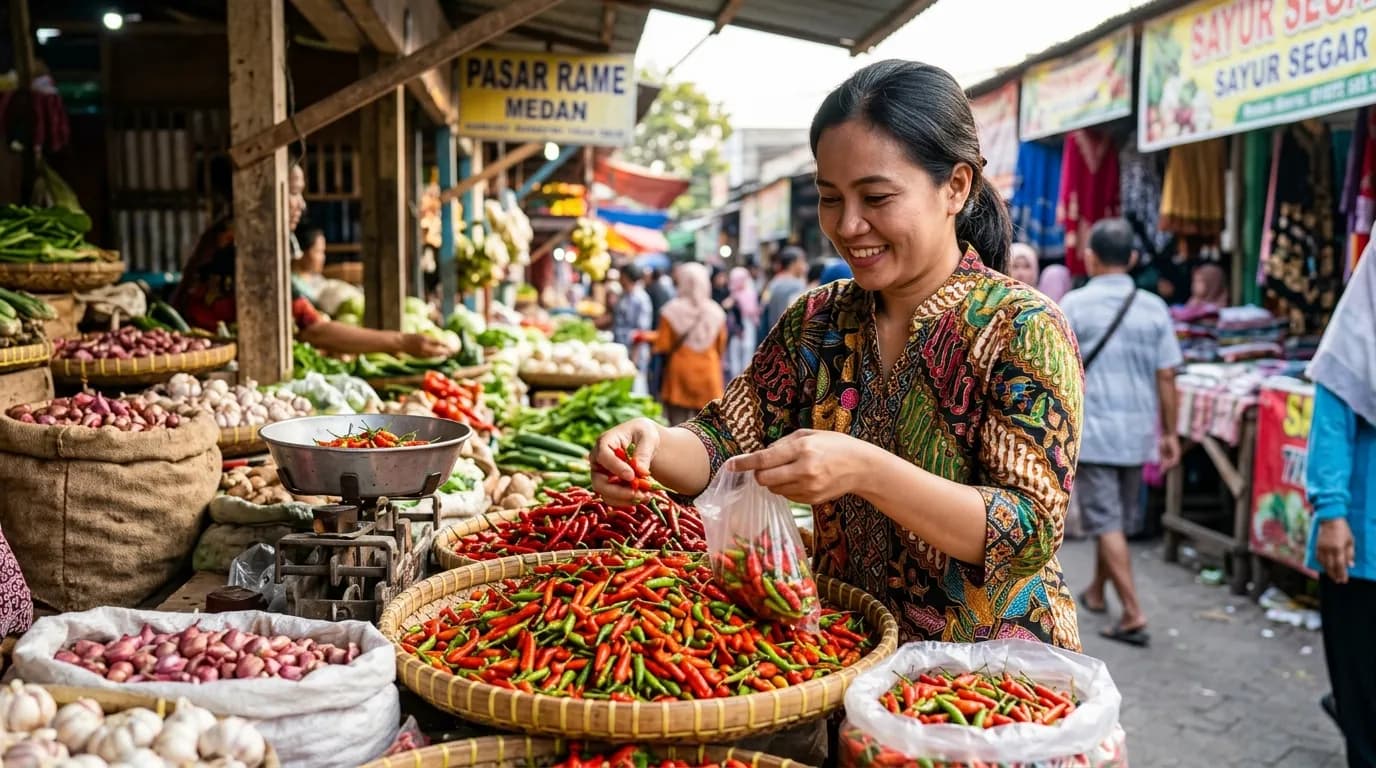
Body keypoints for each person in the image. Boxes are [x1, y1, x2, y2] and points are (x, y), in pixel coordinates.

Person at [594, 60, 1084, 649]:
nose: (849, 225)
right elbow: (723, 441)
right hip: (837, 653)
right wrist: (650, 442)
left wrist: (864, 469)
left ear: (955, 187)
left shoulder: (1023, 327)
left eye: (876, 197)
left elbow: (1028, 530)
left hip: (986, 686)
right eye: (830, 198)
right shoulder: (818, 321)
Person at [173, 158, 451, 359]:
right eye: (294, 192)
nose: (302, 204)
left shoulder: (223, 232)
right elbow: (314, 330)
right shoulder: (249, 249)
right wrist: (402, 342)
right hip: (209, 363)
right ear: (262, 189)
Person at [1061, 218, 1183, 648]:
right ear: (1133, 258)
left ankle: (1132, 612)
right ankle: (1096, 591)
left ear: (1090, 256)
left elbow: (1059, 372)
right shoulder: (1154, 308)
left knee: (1107, 521)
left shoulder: (1072, 305)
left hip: (1092, 433)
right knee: (1113, 522)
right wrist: (1170, 432)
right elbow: (1166, 375)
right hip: (1136, 435)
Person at [1305, 240, 1376, 768]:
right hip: (1364, 537)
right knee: (1363, 687)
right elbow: (1333, 413)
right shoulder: (1360, 329)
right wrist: (1331, 512)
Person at [637, 263, 727, 425]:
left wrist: (648, 338)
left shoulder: (671, 311)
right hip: (708, 377)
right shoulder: (717, 312)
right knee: (706, 430)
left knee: (678, 427)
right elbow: (721, 346)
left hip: (679, 377)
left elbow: (663, 344)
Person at [721, 266, 760, 381]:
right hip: (736, 329)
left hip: (746, 327)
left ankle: (743, 379)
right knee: (736, 353)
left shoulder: (749, 293)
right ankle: (737, 380)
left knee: (745, 352)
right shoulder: (730, 294)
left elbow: (752, 310)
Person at [759, 246, 809, 335]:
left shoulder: (773, 283)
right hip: (790, 336)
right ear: (793, 263)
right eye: (802, 261)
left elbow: (764, 305)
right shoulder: (797, 285)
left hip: (774, 334)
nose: (805, 265)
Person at [611, 264, 653, 366]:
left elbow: (641, 332)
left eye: (621, 275)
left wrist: (634, 359)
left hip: (634, 354)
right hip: (621, 350)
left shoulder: (640, 299)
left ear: (625, 277)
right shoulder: (624, 295)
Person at [292, 227, 328, 305]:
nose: (323, 257)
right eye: (318, 251)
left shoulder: (317, 278)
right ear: (301, 253)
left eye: (323, 251)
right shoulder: (294, 285)